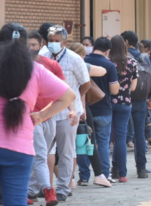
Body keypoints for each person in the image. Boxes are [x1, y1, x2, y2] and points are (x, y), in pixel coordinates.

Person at [0, 23, 75, 206]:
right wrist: (41, 116)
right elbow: (68, 96)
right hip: (20, 148)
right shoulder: (36, 70)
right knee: (16, 201)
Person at [41, 25, 90, 201]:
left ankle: (63, 187)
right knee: (43, 150)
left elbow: (85, 83)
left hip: (69, 112)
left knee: (66, 150)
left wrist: (77, 101)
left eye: (57, 41)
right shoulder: (42, 57)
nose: (54, 44)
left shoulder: (75, 59)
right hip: (46, 110)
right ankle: (44, 187)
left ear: (64, 42)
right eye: (51, 41)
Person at [27, 31, 69, 205]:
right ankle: (48, 190)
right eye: (27, 45)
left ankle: (28, 191)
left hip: (50, 116)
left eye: (34, 45)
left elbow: (66, 91)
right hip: (31, 118)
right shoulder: (17, 67)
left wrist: (72, 110)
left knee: (40, 156)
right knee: (40, 155)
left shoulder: (51, 65)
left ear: (40, 45)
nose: (30, 48)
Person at [66, 42, 112, 188]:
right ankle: (98, 175)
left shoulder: (60, 64)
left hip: (62, 106)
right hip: (79, 107)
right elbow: (102, 71)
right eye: (83, 55)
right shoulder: (79, 64)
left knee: (67, 145)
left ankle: (71, 178)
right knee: (88, 141)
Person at [84, 37, 120, 184]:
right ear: (108, 51)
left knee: (84, 143)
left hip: (86, 109)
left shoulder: (83, 61)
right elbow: (114, 90)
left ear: (93, 47)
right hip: (104, 109)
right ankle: (104, 174)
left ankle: (84, 176)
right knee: (103, 143)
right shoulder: (109, 65)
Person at [121, 31, 151, 179]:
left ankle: (118, 169)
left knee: (122, 134)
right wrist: (150, 97)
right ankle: (141, 168)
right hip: (141, 99)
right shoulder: (144, 57)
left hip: (123, 98)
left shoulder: (121, 58)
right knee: (140, 134)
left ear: (126, 42)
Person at [108, 35, 138, 182]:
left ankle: (105, 171)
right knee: (121, 138)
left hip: (108, 103)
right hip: (125, 103)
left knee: (106, 138)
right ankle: (122, 173)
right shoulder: (132, 62)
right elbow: (133, 86)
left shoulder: (107, 63)